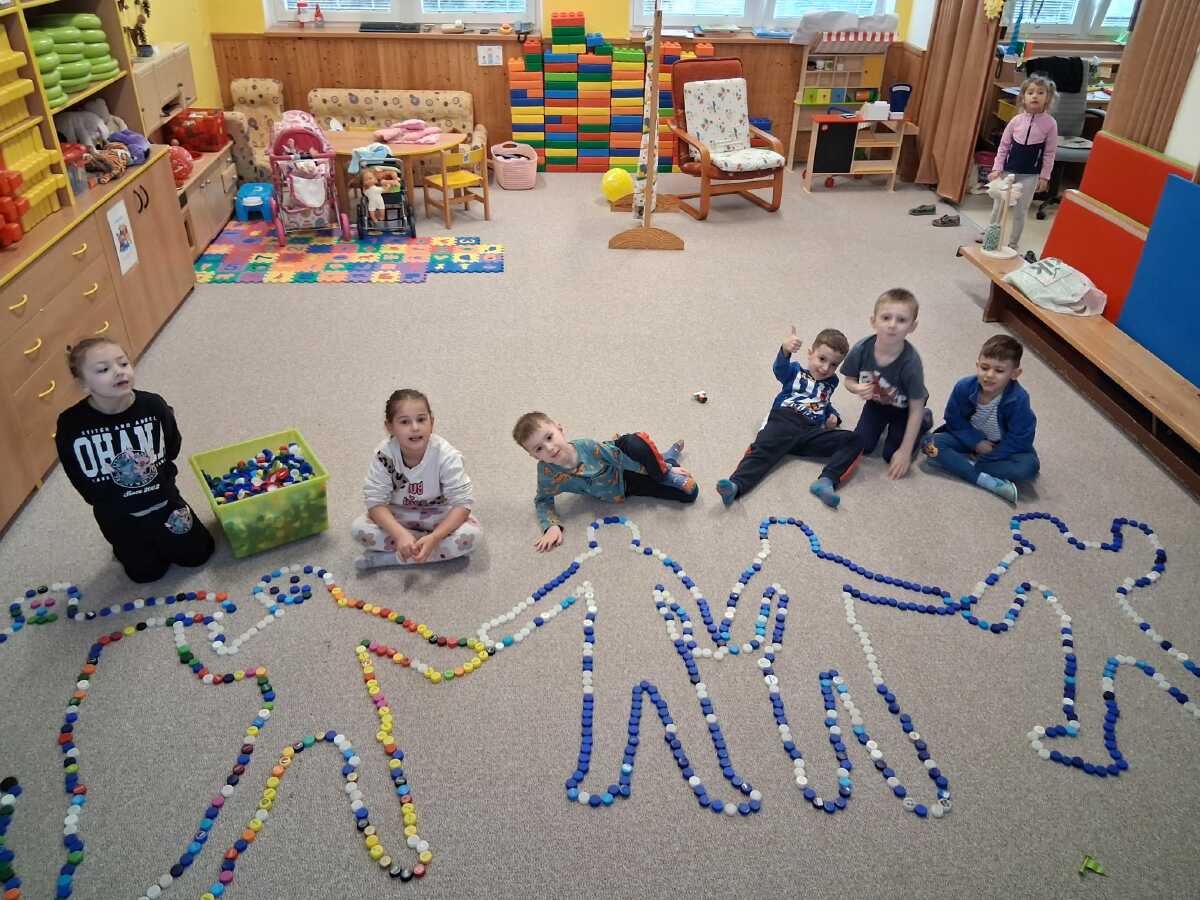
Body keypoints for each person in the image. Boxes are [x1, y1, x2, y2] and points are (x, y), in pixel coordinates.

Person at [55, 337, 215, 583]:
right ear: (84, 384)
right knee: (145, 574)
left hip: (165, 503)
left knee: (199, 555)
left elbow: (171, 445)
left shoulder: (153, 405)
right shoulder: (71, 423)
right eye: (103, 369)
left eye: (123, 363)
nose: (119, 372)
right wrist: (105, 500)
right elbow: (75, 470)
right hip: (119, 517)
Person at [716, 326, 862, 509]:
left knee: (855, 439)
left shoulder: (831, 382)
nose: (826, 368)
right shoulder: (795, 372)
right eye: (822, 359)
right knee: (762, 453)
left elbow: (822, 402)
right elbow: (779, 369)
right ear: (810, 353)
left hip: (810, 433)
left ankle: (826, 481)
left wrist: (833, 416)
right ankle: (735, 485)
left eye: (833, 365)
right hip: (785, 420)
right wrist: (785, 350)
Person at [512, 412, 695, 552]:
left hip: (623, 463)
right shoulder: (547, 473)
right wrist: (551, 526)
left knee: (635, 442)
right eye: (539, 448)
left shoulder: (586, 446)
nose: (549, 448)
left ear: (559, 429)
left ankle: (664, 469)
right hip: (625, 488)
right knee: (689, 495)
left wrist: (663, 471)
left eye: (549, 437)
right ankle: (667, 458)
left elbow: (620, 458)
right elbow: (542, 500)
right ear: (533, 456)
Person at [351, 389, 482, 570]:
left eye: (421, 419)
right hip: (400, 514)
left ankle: (390, 558)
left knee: (472, 535)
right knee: (359, 529)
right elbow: (374, 501)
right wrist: (399, 534)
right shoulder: (384, 455)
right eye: (404, 422)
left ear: (432, 422)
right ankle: (420, 546)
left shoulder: (446, 455)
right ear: (389, 427)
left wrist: (435, 537)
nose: (415, 427)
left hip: (438, 514)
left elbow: (463, 504)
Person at [921, 335, 1039, 504]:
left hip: (1001, 447)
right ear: (977, 365)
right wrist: (976, 442)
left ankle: (962, 465)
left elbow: (1021, 437)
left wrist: (991, 456)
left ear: (1015, 374)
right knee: (928, 444)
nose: (989, 375)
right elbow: (953, 419)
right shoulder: (964, 386)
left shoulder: (1019, 399)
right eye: (984, 368)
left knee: (1029, 467)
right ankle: (984, 480)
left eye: (999, 371)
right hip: (967, 439)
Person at [841, 288, 931, 480]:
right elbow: (848, 380)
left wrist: (905, 452)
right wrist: (857, 388)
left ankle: (925, 421)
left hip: (906, 409)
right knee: (862, 445)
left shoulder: (911, 363)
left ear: (912, 326)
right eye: (886, 318)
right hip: (876, 404)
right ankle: (881, 426)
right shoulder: (861, 349)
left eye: (901, 320)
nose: (892, 325)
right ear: (873, 321)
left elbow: (915, 408)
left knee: (891, 455)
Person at [988, 74, 1058, 252]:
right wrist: (997, 168)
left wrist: (1044, 177)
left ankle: (1013, 244)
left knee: (1020, 211)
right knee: (998, 207)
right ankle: (991, 237)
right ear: (1023, 97)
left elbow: (1049, 153)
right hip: (1008, 171)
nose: (1035, 96)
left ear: (1047, 98)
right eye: (1030, 92)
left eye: (1040, 93)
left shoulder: (1050, 124)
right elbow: (1003, 146)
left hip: (1030, 175)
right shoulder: (1016, 121)